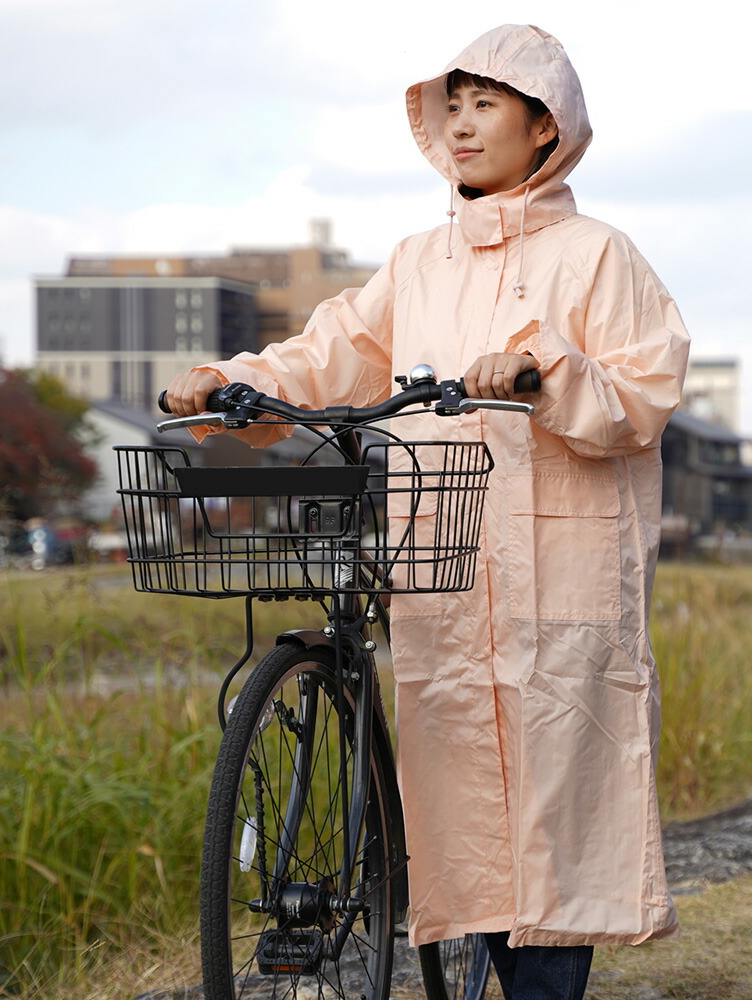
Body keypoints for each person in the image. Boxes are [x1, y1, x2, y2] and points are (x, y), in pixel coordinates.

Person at [166, 24, 689, 1000]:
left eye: (484, 104)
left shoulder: (599, 257)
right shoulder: (418, 263)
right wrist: (227, 381)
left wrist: (545, 371)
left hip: (558, 580)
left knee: (550, 826)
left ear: (545, 128)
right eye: (450, 106)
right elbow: (329, 351)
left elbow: (643, 393)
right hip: (442, 570)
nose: (460, 125)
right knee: (464, 820)